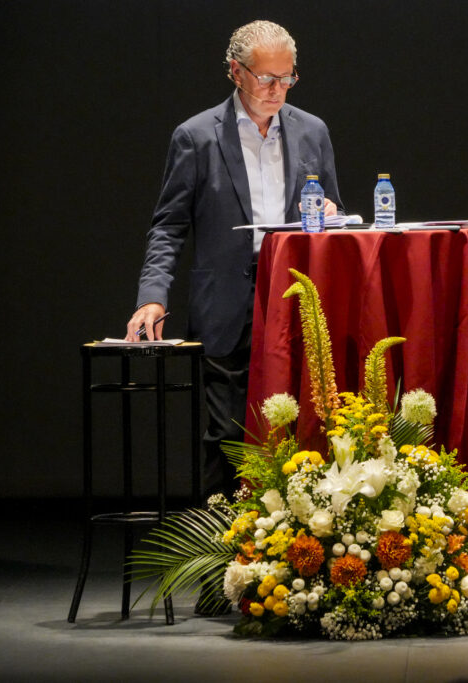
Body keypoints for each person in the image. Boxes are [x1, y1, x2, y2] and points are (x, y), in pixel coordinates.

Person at [124, 20, 344, 502]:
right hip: (226, 306)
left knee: (302, 433)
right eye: (266, 78)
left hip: (295, 302)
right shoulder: (197, 136)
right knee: (226, 436)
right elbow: (169, 224)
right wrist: (152, 297)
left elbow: (333, 217)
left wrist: (330, 215)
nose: (276, 90)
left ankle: (290, 565)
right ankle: (220, 572)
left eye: (287, 78)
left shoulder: (313, 132)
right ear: (235, 72)